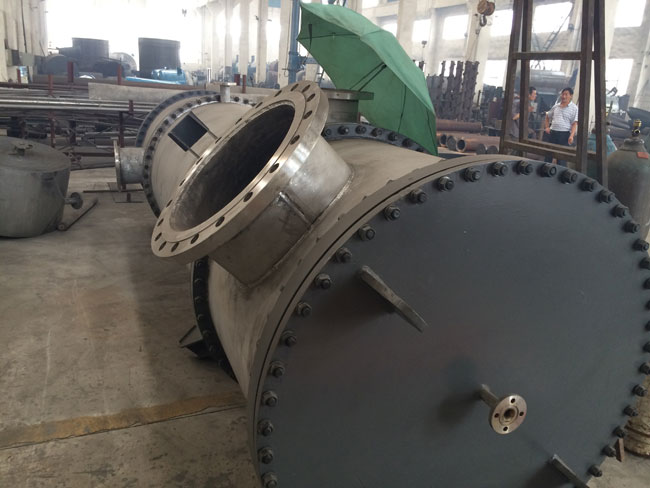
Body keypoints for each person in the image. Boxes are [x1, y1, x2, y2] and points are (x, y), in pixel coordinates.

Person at [544, 87, 579, 166]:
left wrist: (571, 136)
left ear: (571, 96)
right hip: (553, 133)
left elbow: (574, 124)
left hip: (564, 135)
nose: (563, 96)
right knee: (548, 155)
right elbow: (547, 116)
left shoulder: (574, 108)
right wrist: (547, 127)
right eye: (562, 94)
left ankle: (561, 172)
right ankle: (545, 170)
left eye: (566, 94)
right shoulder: (556, 106)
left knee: (561, 157)